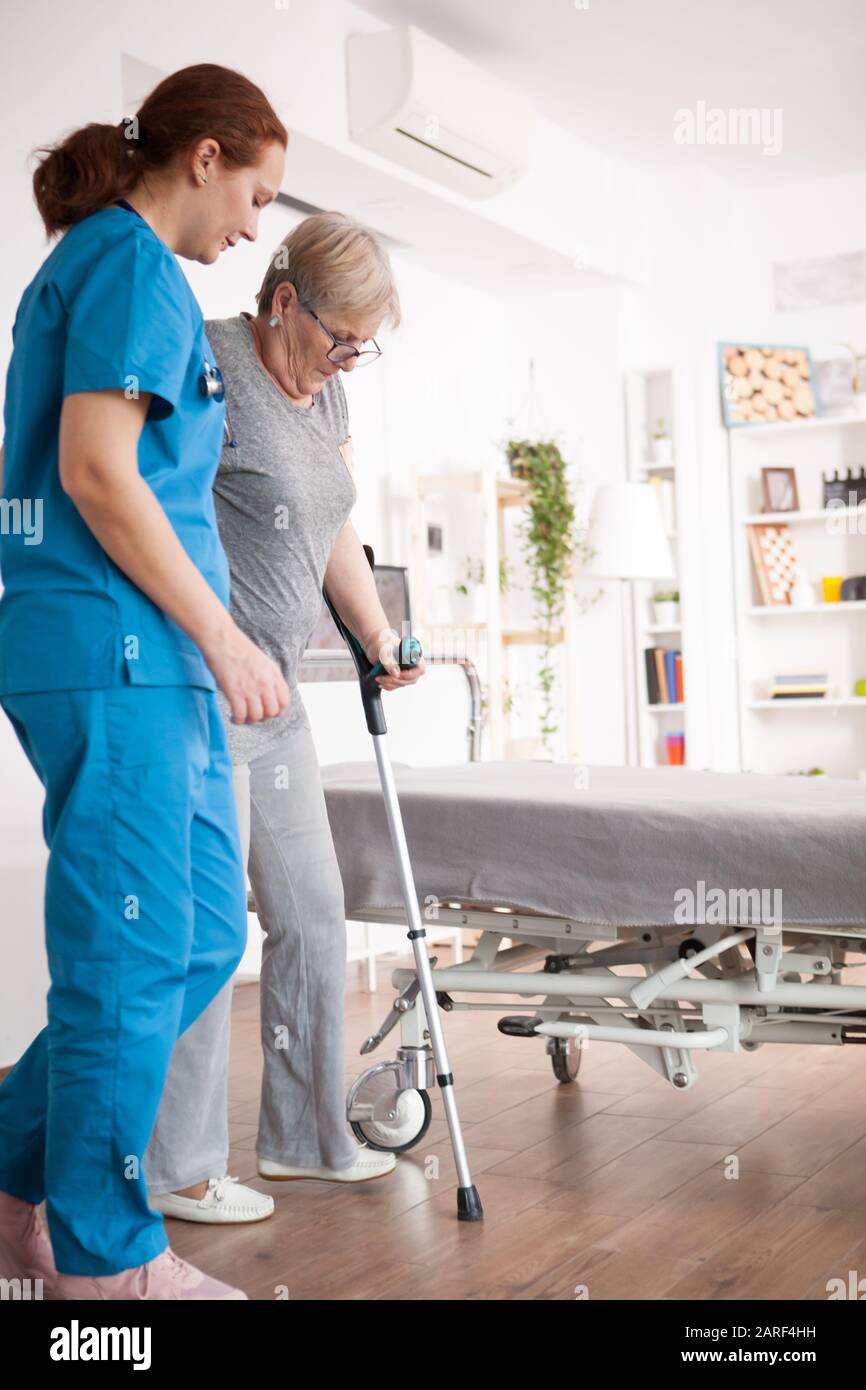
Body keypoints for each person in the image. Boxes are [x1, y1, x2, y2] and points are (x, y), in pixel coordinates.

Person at [0, 64, 291, 1300]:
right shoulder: (124, 262)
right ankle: (104, 1269)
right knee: (128, 957)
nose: (254, 227)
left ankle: (18, 1187)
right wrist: (225, 636)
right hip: (117, 650)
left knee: (202, 934)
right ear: (206, 155)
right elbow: (99, 472)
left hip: (145, 660)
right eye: (257, 192)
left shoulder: (127, 270)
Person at [143, 213, 425, 1226]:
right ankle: (176, 1166)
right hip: (198, 691)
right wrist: (214, 638)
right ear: (282, 299)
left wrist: (379, 633)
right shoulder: (209, 360)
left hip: (278, 703)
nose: (347, 358)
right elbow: (146, 502)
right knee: (204, 932)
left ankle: (306, 1137)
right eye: (336, 334)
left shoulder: (327, 391)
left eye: (364, 344)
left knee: (310, 911)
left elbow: (332, 518)